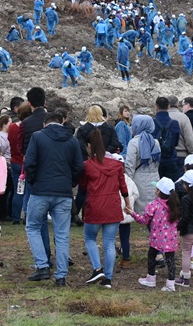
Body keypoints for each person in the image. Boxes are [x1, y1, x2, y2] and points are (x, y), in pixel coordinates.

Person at [24, 109, 82, 286]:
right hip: (63, 192)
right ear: (62, 122)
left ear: (45, 124)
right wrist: (70, 182)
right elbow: (79, 166)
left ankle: (42, 265)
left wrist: (33, 181)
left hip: (41, 190)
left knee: (33, 226)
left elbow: (29, 162)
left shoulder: (38, 137)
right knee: (62, 234)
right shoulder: (72, 140)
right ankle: (61, 275)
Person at [81, 129, 127, 288]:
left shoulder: (87, 165)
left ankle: (97, 268)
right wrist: (127, 204)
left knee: (90, 238)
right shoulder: (117, 164)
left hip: (95, 206)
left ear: (89, 146)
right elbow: (123, 186)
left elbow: (82, 185)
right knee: (109, 243)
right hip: (113, 206)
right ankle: (108, 278)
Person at [130, 177, 181, 292]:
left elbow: (143, 220)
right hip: (171, 238)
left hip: (157, 238)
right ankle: (170, 283)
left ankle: (151, 279)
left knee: (151, 256)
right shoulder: (175, 205)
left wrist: (132, 213)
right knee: (170, 259)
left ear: (158, 191)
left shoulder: (154, 205)